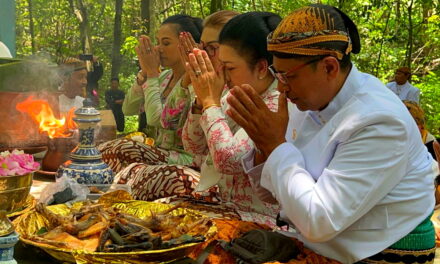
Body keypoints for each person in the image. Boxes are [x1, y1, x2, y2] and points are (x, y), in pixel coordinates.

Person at [226, 4, 437, 263]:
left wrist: (275, 146)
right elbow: (272, 195)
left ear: (329, 67)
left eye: (287, 76)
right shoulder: (305, 100)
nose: (281, 87)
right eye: (276, 74)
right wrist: (263, 145)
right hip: (319, 238)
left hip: (381, 251)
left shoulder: (380, 120)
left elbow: (320, 220)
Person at [182, 11, 281, 225]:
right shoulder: (233, 93)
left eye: (230, 67)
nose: (222, 71)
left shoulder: (277, 103)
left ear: (262, 67)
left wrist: (210, 103)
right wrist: (202, 102)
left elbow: (228, 161)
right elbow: (193, 146)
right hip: (225, 207)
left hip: (259, 219)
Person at [98, 14, 208, 201]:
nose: (158, 49)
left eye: (166, 43)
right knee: (112, 152)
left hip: (187, 158)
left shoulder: (197, 81)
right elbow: (128, 109)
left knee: (124, 148)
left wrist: (151, 75)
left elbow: (157, 120)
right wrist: (144, 75)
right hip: (161, 152)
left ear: (188, 44)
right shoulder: (163, 77)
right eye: (157, 42)